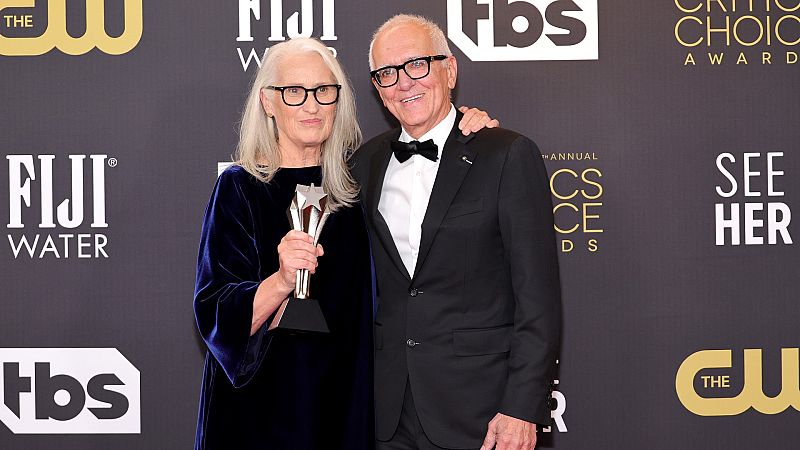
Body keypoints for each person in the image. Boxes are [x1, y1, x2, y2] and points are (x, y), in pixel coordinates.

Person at [193, 37, 497, 450]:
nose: (312, 105)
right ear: (268, 101)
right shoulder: (240, 187)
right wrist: (281, 281)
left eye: (324, 90)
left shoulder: (359, 182)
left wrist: (469, 131)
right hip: (259, 411)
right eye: (294, 91)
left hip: (347, 402)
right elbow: (215, 314)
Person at [352, 15, 562, 450]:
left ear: (449, 70)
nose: (403, 83)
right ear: (377, 88)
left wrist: (522, 408)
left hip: (483, 414)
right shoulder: (363, 164)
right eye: (387, 73)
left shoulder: (505, 154)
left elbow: (537, 299)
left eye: (417, 65)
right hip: (387, 415)